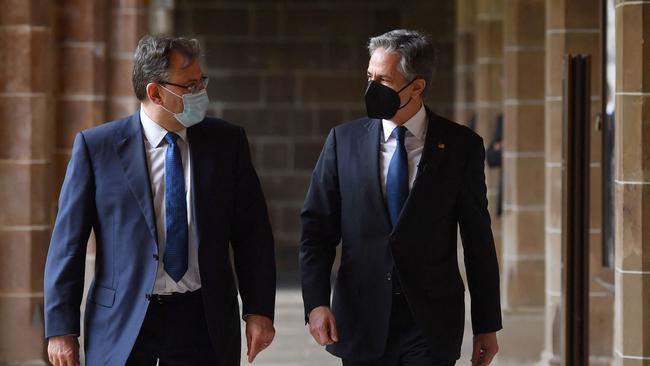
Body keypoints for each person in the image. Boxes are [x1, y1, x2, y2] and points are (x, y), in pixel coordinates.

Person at [44, 35, 276, 366]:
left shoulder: (227, 143)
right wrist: (61, 329)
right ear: (156, 92)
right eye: (190, 85)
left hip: (203, 319)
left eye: (202, 82)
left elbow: (252, 234)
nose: (201, 93)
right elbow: (68, 244)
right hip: (122, 320)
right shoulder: (97, 149)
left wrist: (259, 309)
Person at [299, 29, 502, 366]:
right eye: (369, 77)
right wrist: (316, 303)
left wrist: (487, 325)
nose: (371, 88)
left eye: (383, 80)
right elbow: (316, 230)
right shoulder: (342, 142)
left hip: (430, 323)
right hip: (362, 317)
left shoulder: (461, 147)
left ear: (417, 87)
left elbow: (478, 240)